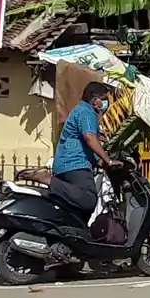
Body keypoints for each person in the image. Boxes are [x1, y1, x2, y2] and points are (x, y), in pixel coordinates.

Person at [50, 82, 114, 220]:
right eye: (103, 98)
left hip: (65, 164)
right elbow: (89, 138)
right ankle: (48, 180)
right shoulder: (86, 112)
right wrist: (108, 160)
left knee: (76, 213)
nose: (106, 102)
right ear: (94, 99)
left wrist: (101, 163)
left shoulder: (80, 110)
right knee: (88, 200)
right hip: (76, 164)